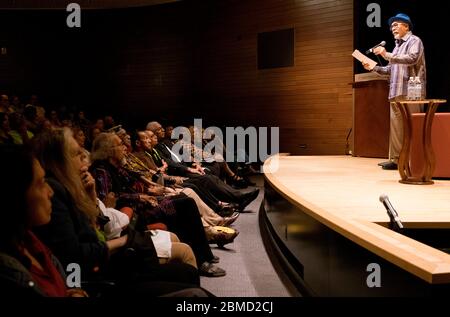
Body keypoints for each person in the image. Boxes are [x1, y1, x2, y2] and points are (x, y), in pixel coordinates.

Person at [0, 144, 87, 297]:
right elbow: (75, 258)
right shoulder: (8, 273)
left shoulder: (29, 239)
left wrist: (74, 291)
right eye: (40, 183)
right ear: (15, 195)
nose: (50, 192)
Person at [363, 13, 426, 170]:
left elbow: (412, 58)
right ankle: (398, 160)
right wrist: (374, 67)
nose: (393, 28)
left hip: (411, 92)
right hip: (395, 92)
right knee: (397, 129)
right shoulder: (397, 46)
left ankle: (414, 160)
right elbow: (390, 69)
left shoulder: (414, 41)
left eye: (396, 25)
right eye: (391, 26)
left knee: (412, 126)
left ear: (406, 26)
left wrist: (386, 54)